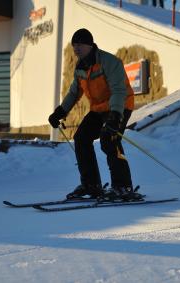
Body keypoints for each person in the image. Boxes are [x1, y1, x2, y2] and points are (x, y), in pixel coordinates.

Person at [48, 28, 142, 201]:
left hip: (119, 105)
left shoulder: (109, 61)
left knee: (110, 139)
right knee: (81, 138)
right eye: (74, 45)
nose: (76, 49)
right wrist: (60, 112)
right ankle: (91, 185)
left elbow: (119, 90)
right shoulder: (80, 68)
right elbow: (74, 93)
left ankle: (123, 187)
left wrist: (115, 115)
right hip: (98, 109)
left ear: (90, 45)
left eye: (80, 45)